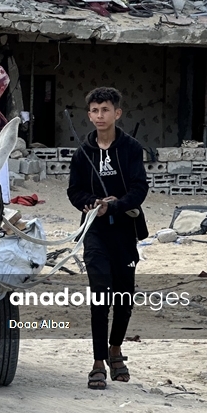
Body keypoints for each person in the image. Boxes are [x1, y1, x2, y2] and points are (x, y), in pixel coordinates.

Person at [66, 87, 148, 391]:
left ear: (117, 113)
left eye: (105, 110)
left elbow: (139, 189)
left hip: (125, 230)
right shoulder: (82, 152)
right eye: (95, 111)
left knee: (123, 297)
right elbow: (73, 191)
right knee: (100, 293)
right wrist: (92, 203)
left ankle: (116, 350)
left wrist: (114, 205)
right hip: (95, 232)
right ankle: (98, 361)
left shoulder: (131, 148)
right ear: (89, 115)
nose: (100, 116)